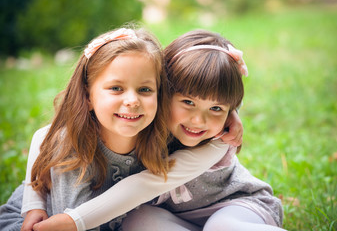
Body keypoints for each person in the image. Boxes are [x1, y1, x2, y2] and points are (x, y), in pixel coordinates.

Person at [28, 30, 285, 231]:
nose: (198, 120)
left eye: (217, 108)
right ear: (165, 91)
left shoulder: (216, 142)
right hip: (177, 218)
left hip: (237, 208)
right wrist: (33, 204)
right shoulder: (147, 124)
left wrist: (74, 222)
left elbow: (143, 185)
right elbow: (46, 137)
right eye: (187, 102)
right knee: (135, 222)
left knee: (220, 227)